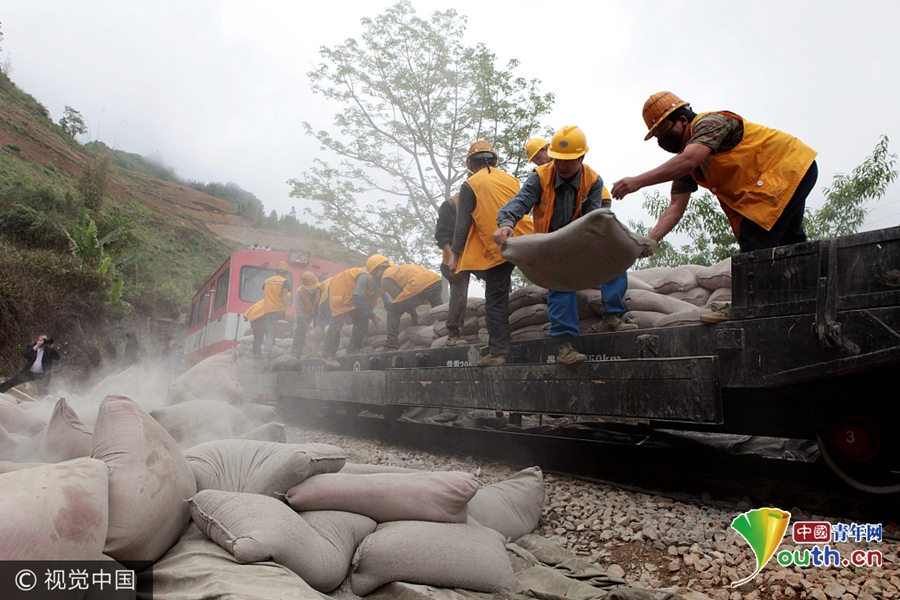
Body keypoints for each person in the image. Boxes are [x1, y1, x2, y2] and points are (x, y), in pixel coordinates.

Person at [611, 91, 818, 255]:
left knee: (755, 243)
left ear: (683, 120)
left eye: (663, 131)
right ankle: (809, 294)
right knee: (790, 244)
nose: (661, 140)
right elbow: (676, 205)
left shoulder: (710, 123)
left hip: (787, 168)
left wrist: (636, 182)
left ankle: (759, 306)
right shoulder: (686, 161)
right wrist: (653, 239)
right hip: (782, 179)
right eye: (656, 136)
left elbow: (688, 160)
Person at [495, 126, 636, 365]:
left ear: (581, 157)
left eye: (569, 161)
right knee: (561, 284)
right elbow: (519, 203)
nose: (562, 165)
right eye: (558, 159)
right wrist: (506, 223)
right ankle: (564, 344)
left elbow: (595, 219)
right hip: (551, 245)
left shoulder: (592, 180)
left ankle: (611, 315)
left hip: (580, 240)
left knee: (615, 259)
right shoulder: (540, 176)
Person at [448, 140, 533, 367]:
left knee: (495, 299)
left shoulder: (470, 184)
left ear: (471, 164)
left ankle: (499, 351)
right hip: (526, 239)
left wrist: (454, 256)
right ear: (493, 160)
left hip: (499, 243)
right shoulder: (511, 179)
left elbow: (462, 225)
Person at [321, 257, 392, 368]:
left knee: (362, 319)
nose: (386, 272)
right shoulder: (365, 277)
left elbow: (388, 302)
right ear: (375, 270)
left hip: (355, 295)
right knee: (338, 323)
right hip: (341, 292)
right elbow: (358, 299)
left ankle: (353, 349)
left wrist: (393, 317)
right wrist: (372, 316)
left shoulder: (383, 281)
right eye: (383, 269)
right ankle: (328, 355)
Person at [368, 258, 443, 351]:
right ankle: (444, 329)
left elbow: (399, 298)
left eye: (373, 273)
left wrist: (414, 315)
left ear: (379, 269)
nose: (374, 276)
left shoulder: (385, 278)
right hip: (436, 280)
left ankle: (391, 344)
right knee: (439, 309)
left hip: (419, 285)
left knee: (393, 310)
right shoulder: (396, 270)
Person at [434, 194, 472, 346]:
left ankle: (500, 329)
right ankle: (453, 334)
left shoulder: (487, 200)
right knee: (459, 294)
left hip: (479, 254)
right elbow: (442, 236)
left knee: (498, 282)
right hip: (456, 258)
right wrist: (452, 259)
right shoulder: (451, 205)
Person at [262, 261, 292, 357]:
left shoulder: (267, 281)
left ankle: (267, 355)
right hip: (279, 310)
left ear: (276, 271)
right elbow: (284, 296)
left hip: (268, 310)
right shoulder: (284, 282)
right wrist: (287, 309)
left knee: (269, 334)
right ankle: (294, 342)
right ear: (286, 273)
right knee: (295, 320)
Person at [292, 271, 322, 358]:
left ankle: (317, 351)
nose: (312, 289)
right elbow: (299, 311)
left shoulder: (321, 288)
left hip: (319, 311)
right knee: (300, 330)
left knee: (320, 329)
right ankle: (295, 353)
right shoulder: (299, 292)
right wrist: (306, 326)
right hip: (306, 313)